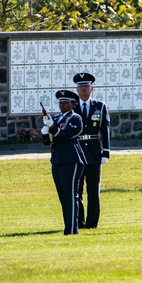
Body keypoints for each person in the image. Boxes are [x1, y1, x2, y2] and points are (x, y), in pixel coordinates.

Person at [42, 90, 84, 236]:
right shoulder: (56, 118)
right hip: (57, 159)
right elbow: (48, 141)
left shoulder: (75, 118)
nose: (62, 105)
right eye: (60, 103)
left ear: (73, 104)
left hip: (72, 160)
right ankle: (68, 227)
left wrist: (53, 128)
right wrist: (45, 132)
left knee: (71, 196)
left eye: (66, 103)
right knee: (63, 197)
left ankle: (72, 230)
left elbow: (66, 136)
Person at [72, 71, 110, 229]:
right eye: (80, 86)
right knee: (77, 190)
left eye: (86, 86)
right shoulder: (72, 106)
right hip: (77, 152)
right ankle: (79, 221)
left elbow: (105, 130)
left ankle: (92, 223)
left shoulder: (99, 106)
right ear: (77, 89)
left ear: (92, 87)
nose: (83, 89)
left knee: (93, 191)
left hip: (94, 152)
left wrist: (106, 152)